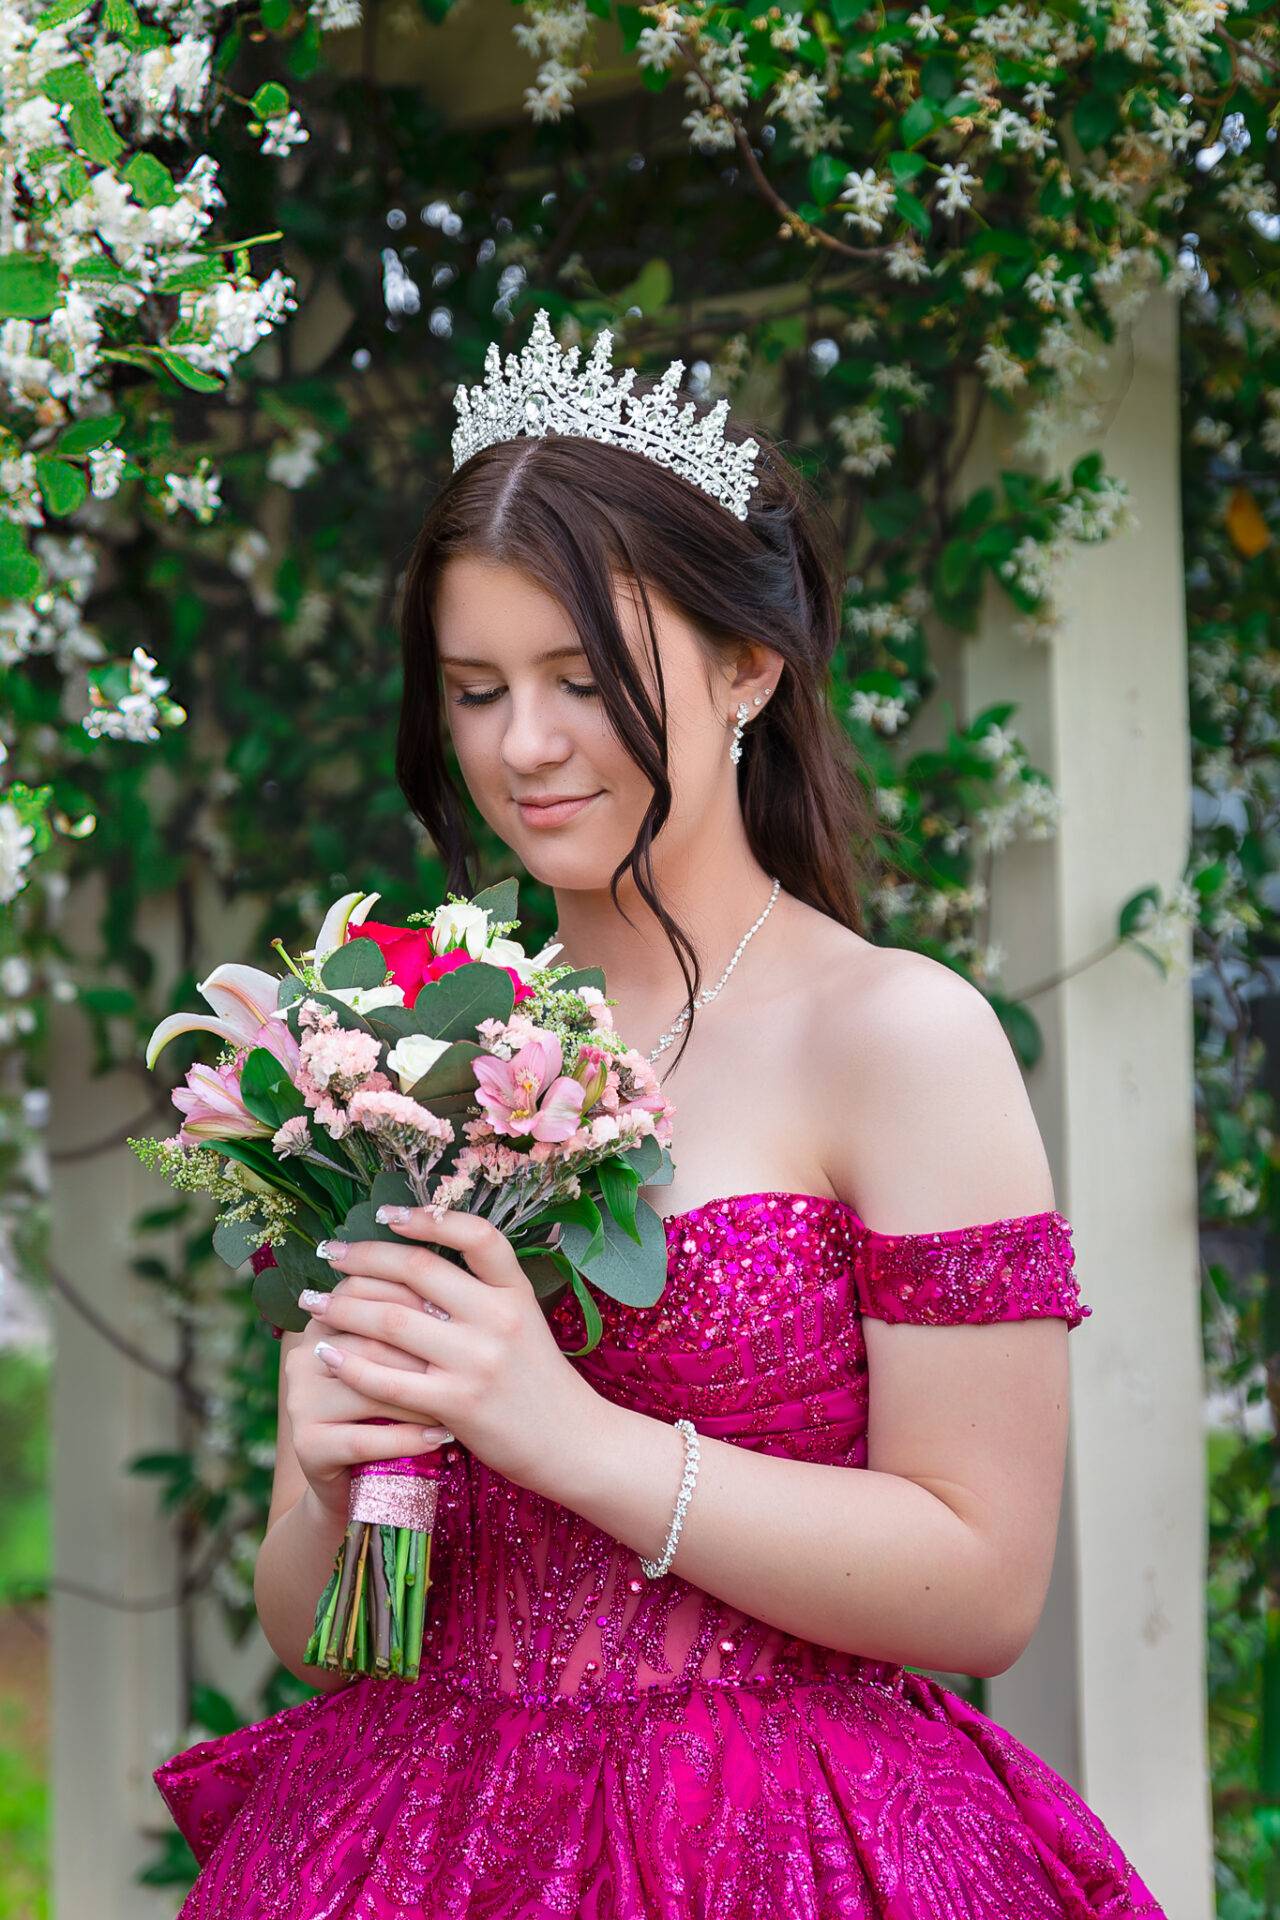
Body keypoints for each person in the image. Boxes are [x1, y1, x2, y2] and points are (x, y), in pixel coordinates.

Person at [153, 309, 1170, 1916]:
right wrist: (339, 1482)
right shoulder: (401, 1046)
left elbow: (985, 1583)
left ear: (749, 664)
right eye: (476, 690)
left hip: (778, 1846)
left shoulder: (898, 1035)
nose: (526, 746)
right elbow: (320, 1622)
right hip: (412, 1834)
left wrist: (570, 1438)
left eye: (583, 678)